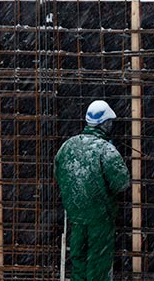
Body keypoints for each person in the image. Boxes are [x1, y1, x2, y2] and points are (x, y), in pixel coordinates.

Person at [54, 100, 130, 281]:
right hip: (100, 221)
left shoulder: (67, 147)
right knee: (98, 265)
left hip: (76, 218)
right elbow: (122, 183)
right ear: (105, 123)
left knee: (78, 263)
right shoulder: (106, 150)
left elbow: (59, 174)